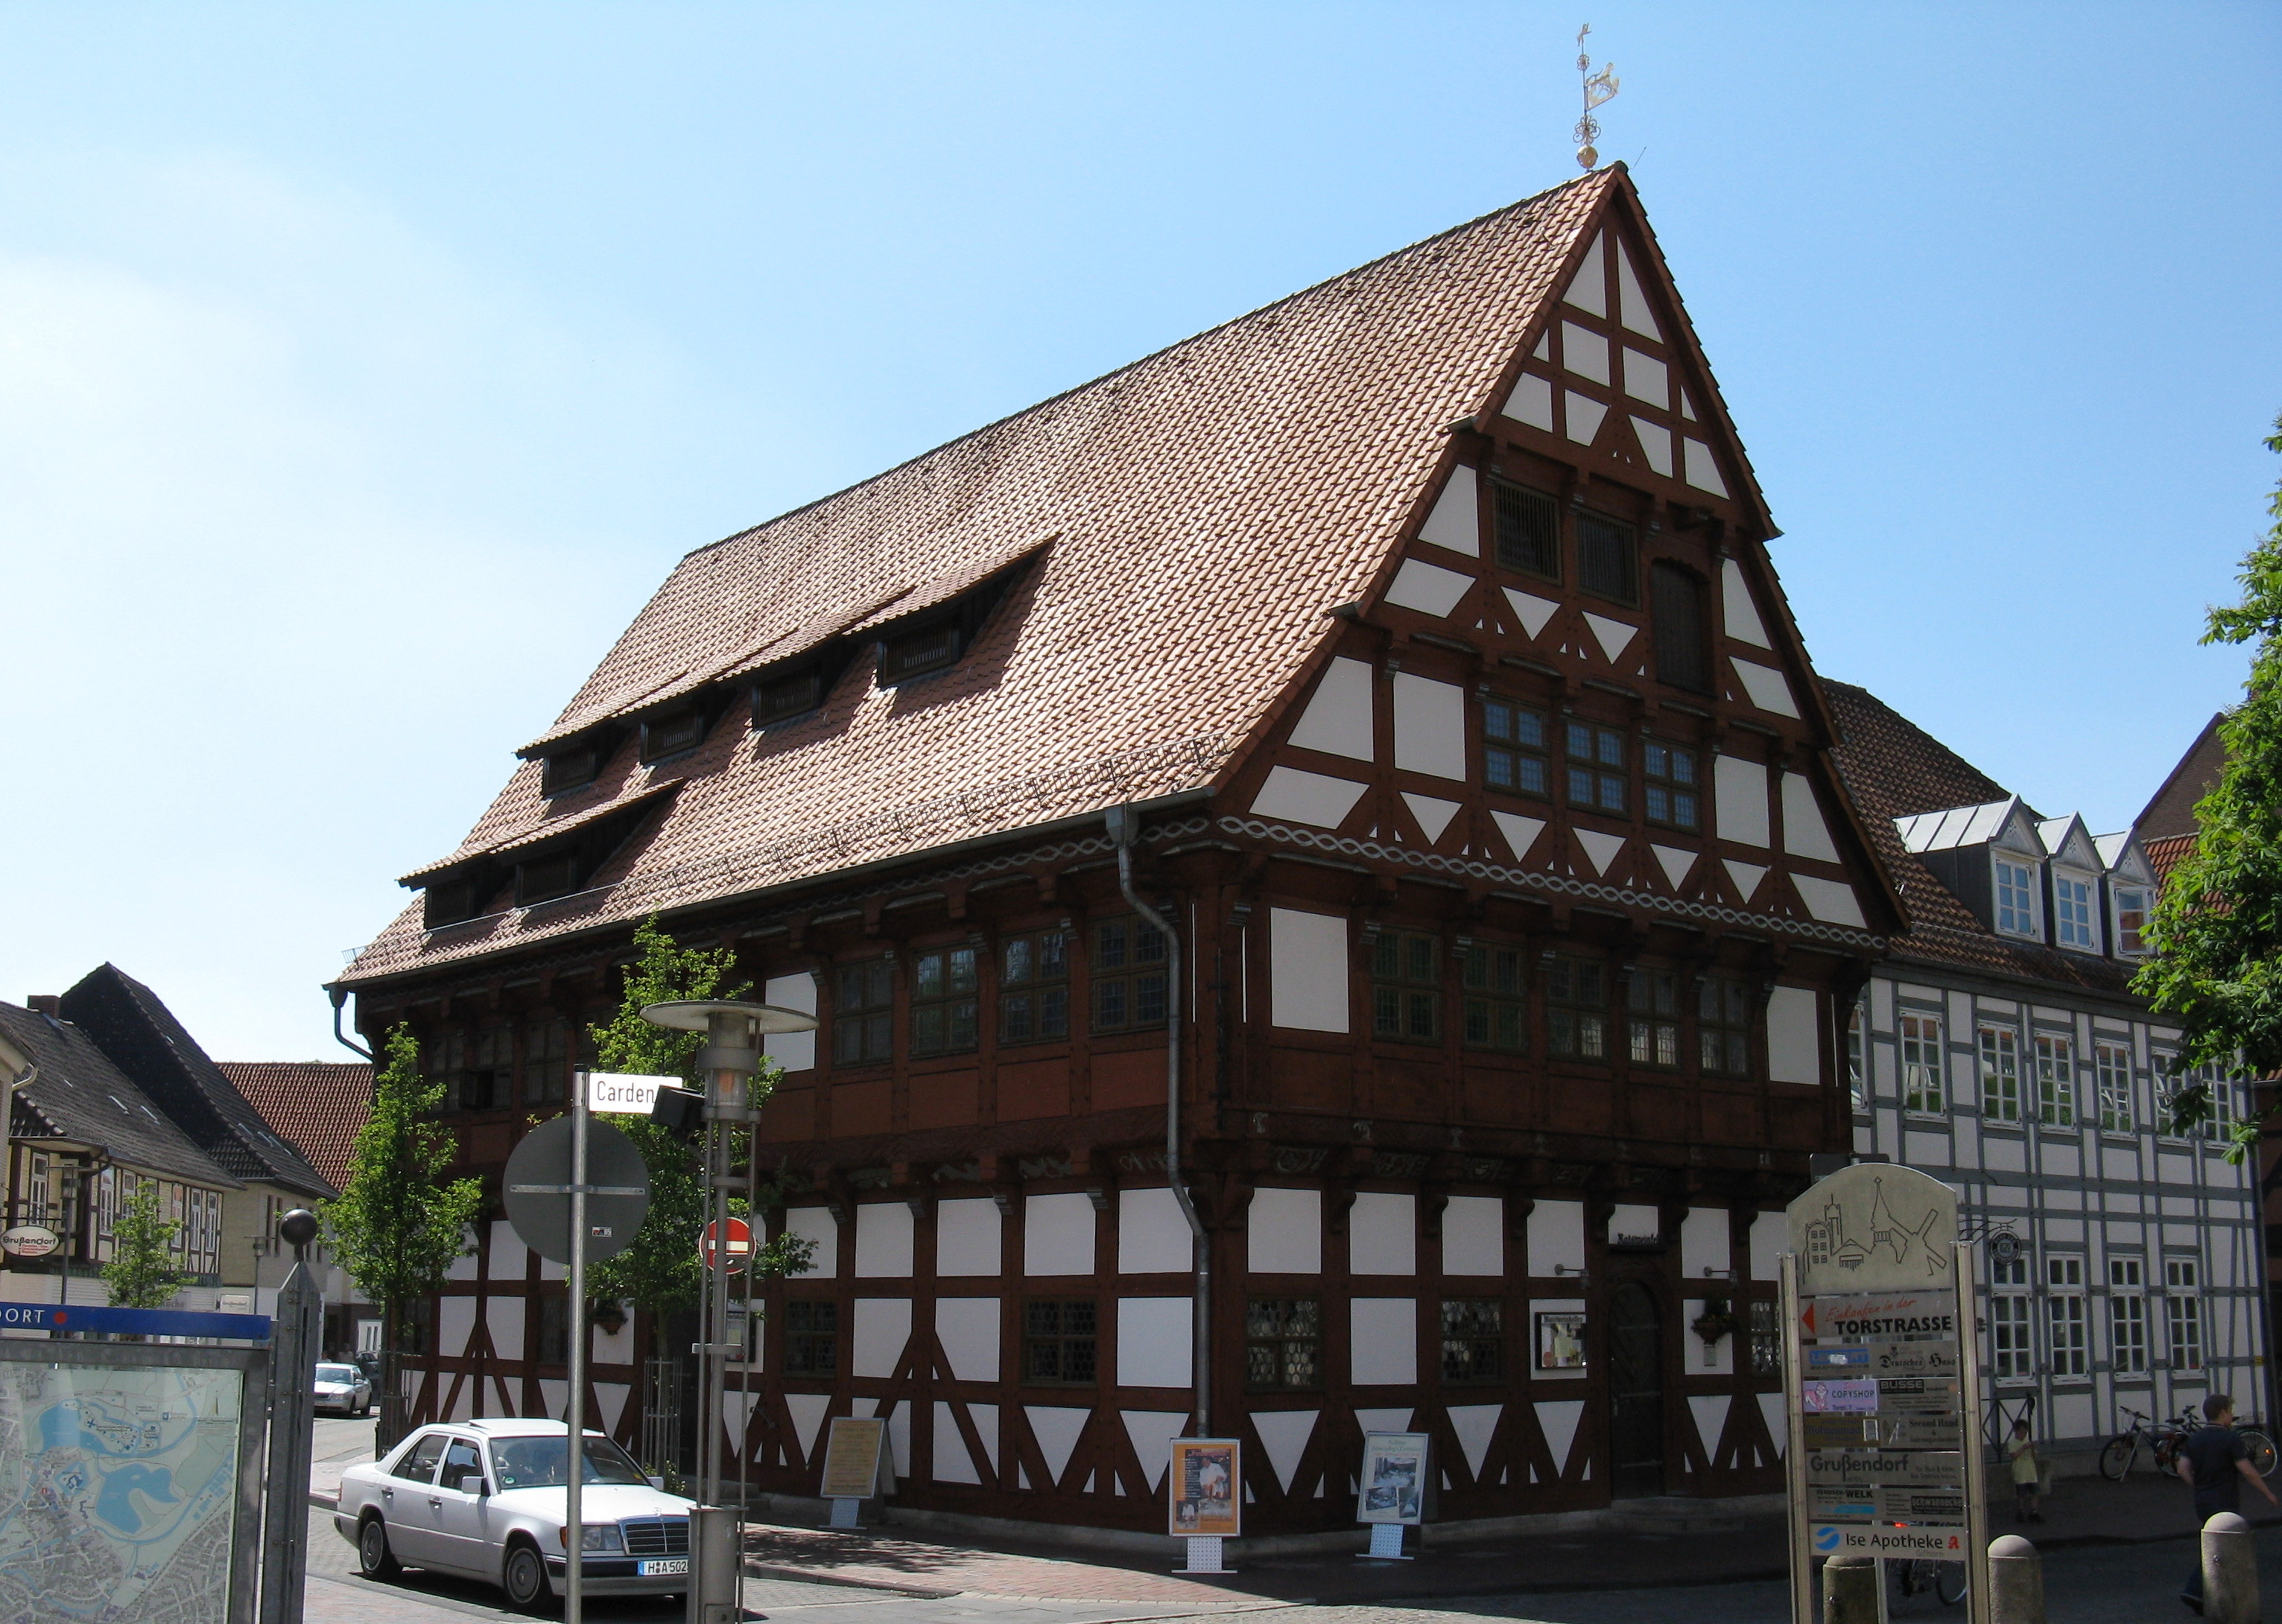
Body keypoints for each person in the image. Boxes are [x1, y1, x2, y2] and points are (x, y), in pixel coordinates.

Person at [2177, 1393, 2278, 1614]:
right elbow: (2247, 1470)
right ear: (2223, 1412)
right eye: (2230, 1411)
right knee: (2222, 1547)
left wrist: (2198, 1486)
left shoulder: (2195, 1439)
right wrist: (2267, 1493)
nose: (2232, 1416)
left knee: (2215, 1542)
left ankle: (2212, 1595)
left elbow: (2182, 1469)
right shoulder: (2230, 1439)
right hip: (2223, 1498)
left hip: (2202, 1500)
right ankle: (2195, 1589)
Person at [2007, 1418, 2042, 1522]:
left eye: (2025, 1433)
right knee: (2021, 1494)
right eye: (2022, 1432)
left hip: (2031, 1471)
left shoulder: (2027, 1442)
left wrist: (2031, 1448)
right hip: (2020, 1472)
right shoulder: (2012, 1443)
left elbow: (2035, 1456)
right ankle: (2021, 1511)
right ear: (2016, 1431)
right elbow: (2014, 1456)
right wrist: (2023, 1448)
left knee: (2035, 1492)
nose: (2024, 1435)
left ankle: (2034, 1511)